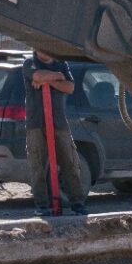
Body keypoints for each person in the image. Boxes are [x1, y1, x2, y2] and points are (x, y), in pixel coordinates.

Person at [23, 48, 87, 218]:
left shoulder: (61, 64)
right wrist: (57, 77)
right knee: (37, 166)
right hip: (36, 123)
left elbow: (70, 87)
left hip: (59, 122)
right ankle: (42, 205)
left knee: (70, 162)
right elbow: (36, 77)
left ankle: (77, 204)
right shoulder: (30, 63)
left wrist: (51, 79)